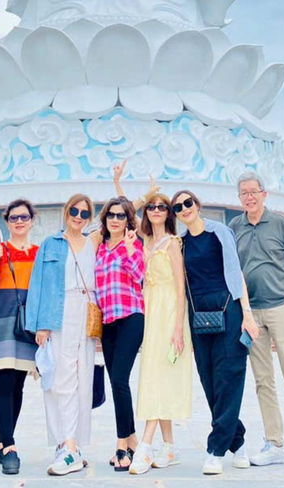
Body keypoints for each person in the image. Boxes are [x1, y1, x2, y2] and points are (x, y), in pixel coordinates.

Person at [228, 171, 284, 473]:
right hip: (251, 313)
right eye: (244, 192)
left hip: (281, 307)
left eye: (254, 191)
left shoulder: (279, 223)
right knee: (263, 380)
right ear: (239, 197)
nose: (249, 197)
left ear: (264, 194)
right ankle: (274, 443)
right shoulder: (235, 226)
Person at [171, 189, 259, 475]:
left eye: (188, 203)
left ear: (197, 204)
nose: (184, 209)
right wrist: (179, 329)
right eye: (178, 207)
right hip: (199, 317)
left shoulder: (219, 232)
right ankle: (238, 441)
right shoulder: (180, 244)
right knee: (210, 382)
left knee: (230, 378)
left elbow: (235, 274)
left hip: (229, 311)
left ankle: (215, 449)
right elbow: (181, 289)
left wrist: (247, 314)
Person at [112, 163, 191, 474]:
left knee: (157, 375)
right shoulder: (141, 238)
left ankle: (144, 445)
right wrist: (121, 185)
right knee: (156, 373)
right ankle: (169, 448)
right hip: (146, 309)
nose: (156, 210)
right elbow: (125, 211)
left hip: (170, 311)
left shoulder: (173, 243)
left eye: (162, 206)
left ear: (169, 213)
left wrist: (178, 329)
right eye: (153, 207)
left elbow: (181, 287)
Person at [25, 194, 98, 476]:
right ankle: (65, 445)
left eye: (84, 213)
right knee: (60, 379)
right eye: (74, 211)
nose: (78, 217)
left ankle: (74, 444)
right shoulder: (51, 244)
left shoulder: (92, 243)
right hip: (59, 312)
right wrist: (40, 324)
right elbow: (38, 284)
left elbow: (125, 215)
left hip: (87, 312)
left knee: (83, 379)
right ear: (66, 213)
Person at [0, 199, 39, 475]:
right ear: (6, 221)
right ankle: (10, 446)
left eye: (24, 217)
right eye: (14, 218)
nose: (19, 222)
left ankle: (2, 443)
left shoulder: (39, 252)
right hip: (1, 319)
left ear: (32, 221)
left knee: (18, 386)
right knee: (3, 382)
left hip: (27, 323)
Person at [95, 196, 146, 472]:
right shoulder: (100, 248)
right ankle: (134, 441)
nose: (115, 219)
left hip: (130, 317)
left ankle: (121, 446)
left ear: (128, 220)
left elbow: (139, 275)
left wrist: (128, 249)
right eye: (111, 215)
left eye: (121, 216)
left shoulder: (134, 244)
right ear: (105, 219)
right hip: (107, 321)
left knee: (119, 379)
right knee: (117, 384)